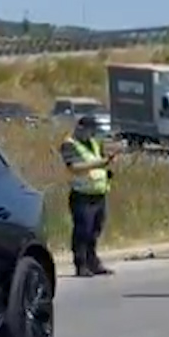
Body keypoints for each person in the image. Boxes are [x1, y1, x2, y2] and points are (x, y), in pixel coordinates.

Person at [59, 113, 119, 277]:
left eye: (94, 130)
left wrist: (107, 166)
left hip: (98, 193)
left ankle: (93, 262)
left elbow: (99, 161)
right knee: (83, 231)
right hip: (82, 195)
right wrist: (100, 163)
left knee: (95, 231)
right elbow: (74, 167)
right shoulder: (69, 144)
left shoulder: (93, 143)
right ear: (80, 128)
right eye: (90, 130)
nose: (92, 133)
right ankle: (81, 264)